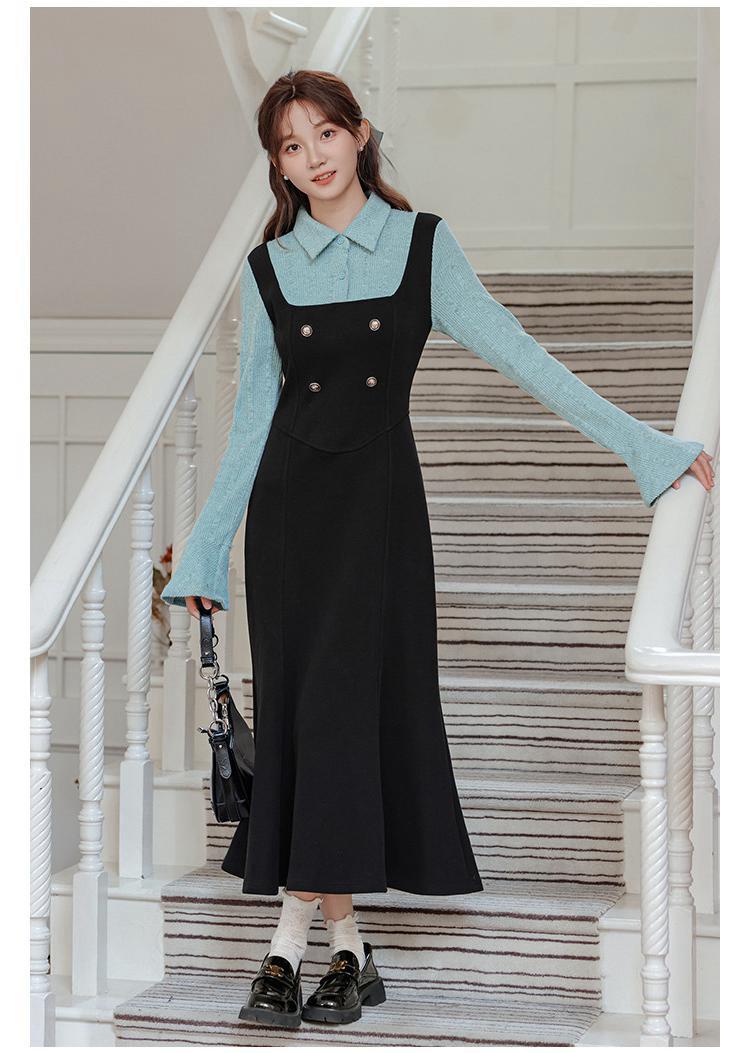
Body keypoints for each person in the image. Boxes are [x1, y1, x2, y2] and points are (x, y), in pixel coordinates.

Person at [160, 68, 715, 1029]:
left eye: (325, 133)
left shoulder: (422, 246)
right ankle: (345, 945)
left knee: (346, 719)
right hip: (289, 525)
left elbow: (520, 352)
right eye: (290, 146)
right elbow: (250, 421)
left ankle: (288, 943)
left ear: (360, 133)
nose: (312, 157)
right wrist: (207, 552)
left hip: (377, 520)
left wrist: (642, 445)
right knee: (307, 726)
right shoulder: (267, 271)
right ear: (279, 167)